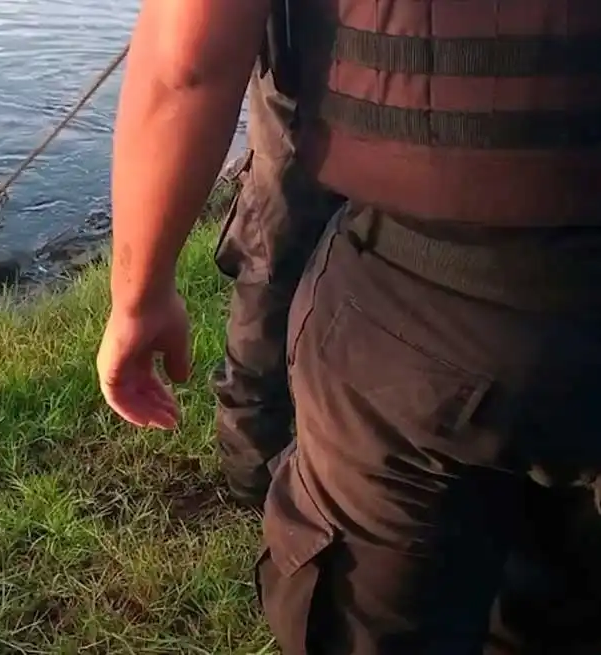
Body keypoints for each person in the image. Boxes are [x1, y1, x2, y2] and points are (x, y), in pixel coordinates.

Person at [96, 1, 601, 653]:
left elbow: (186, 64)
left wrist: (138, 297)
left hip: (416, 311)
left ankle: (254, 462)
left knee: (379, 616)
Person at [208, 1, 344, 509]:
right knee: (275, 252)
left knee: (276, 252)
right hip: (305, 76)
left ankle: (265, 467)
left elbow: (187, 74)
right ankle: (254, 474)